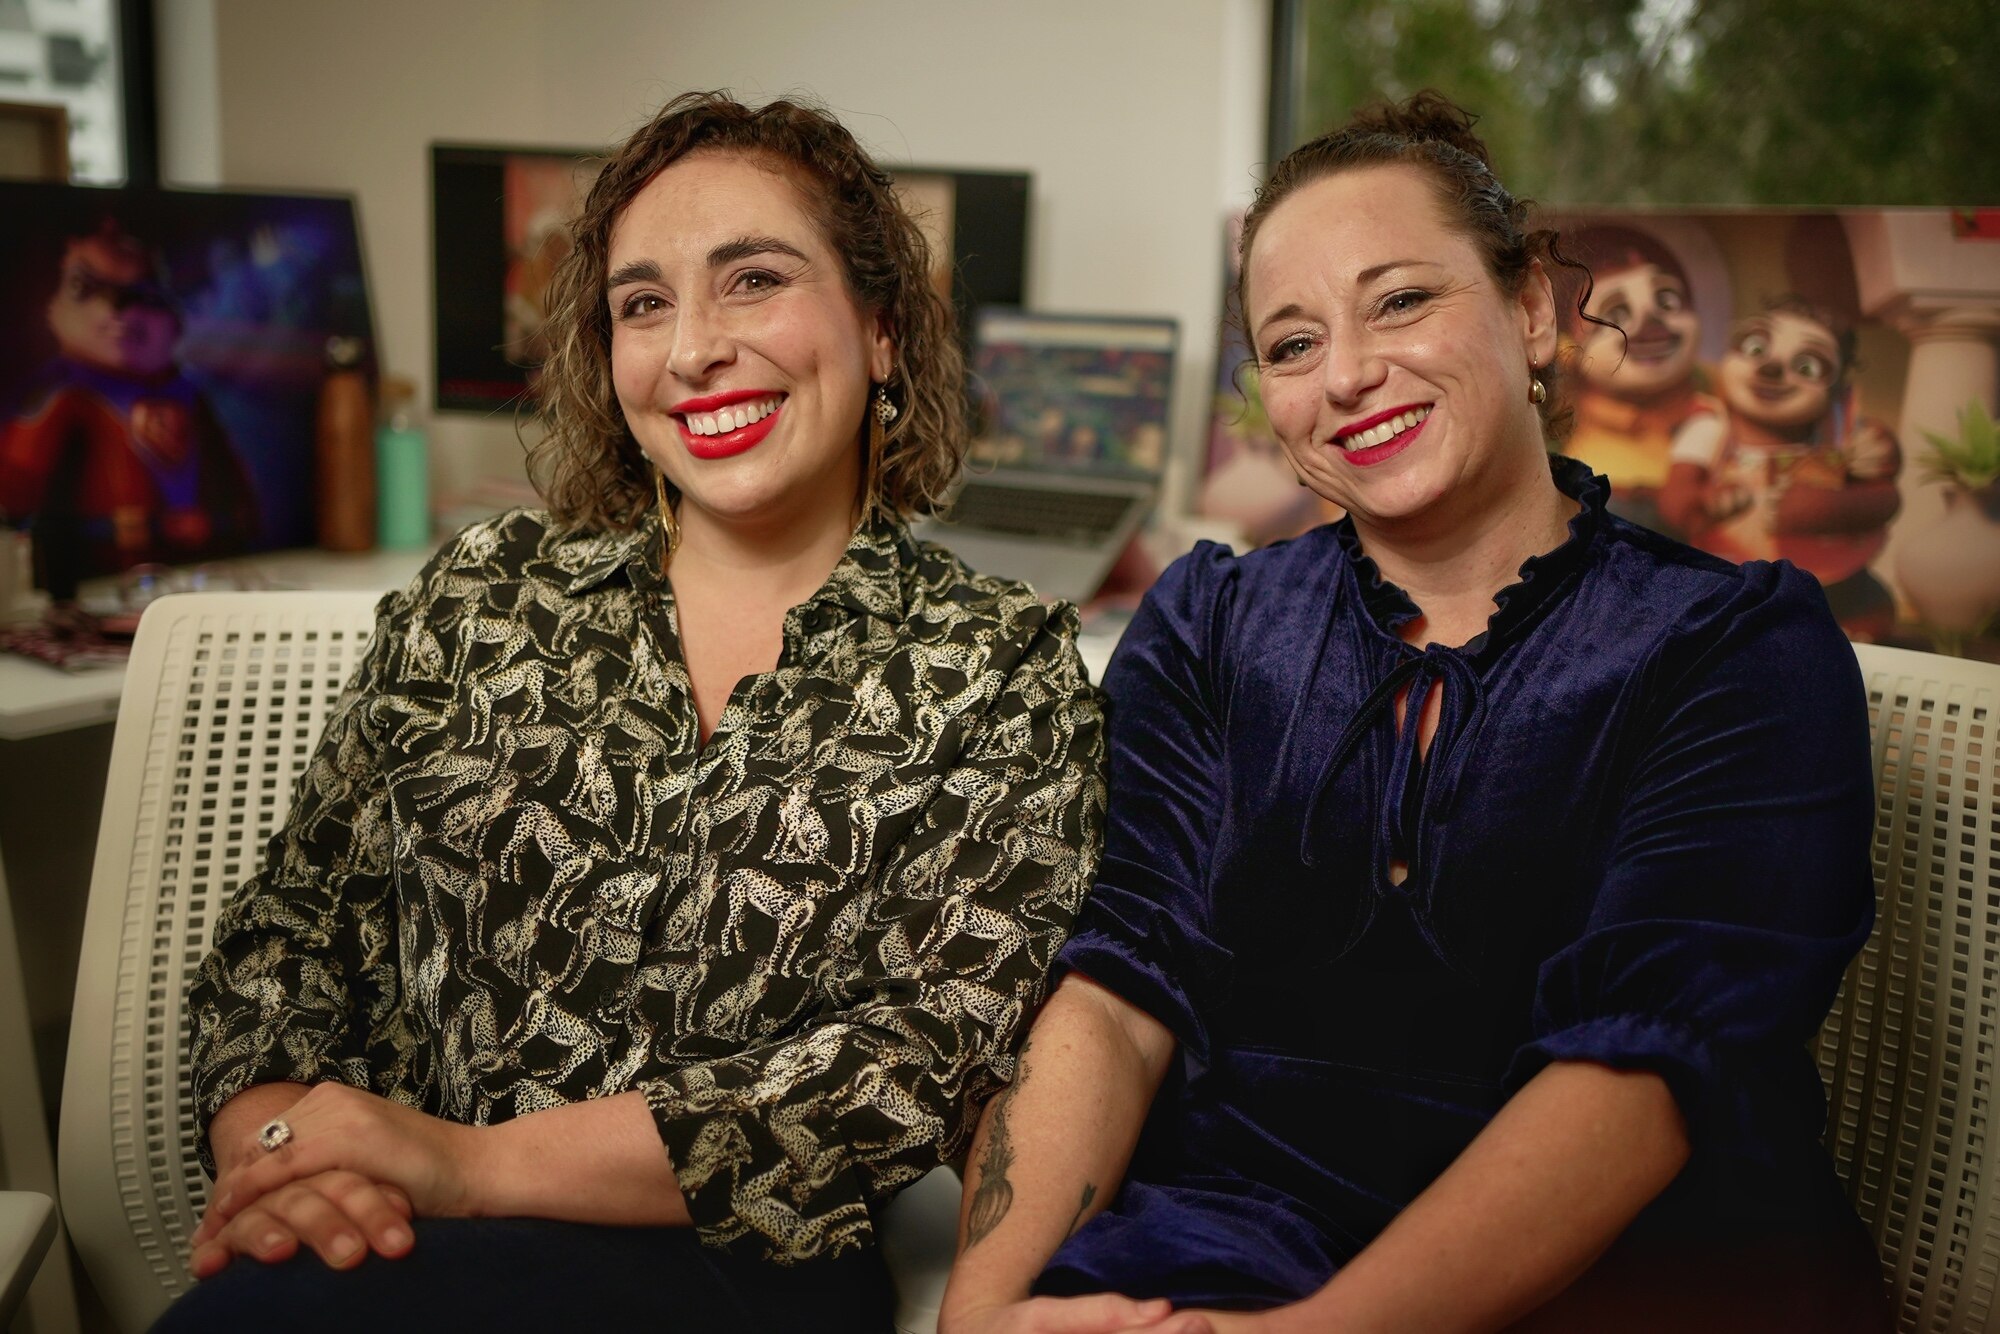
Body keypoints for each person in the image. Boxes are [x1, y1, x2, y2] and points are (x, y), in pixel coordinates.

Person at [938, 92, 1887, 1334]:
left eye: (1399, 300)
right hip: (1233, 1236)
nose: (1344, 374)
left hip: (1628, 1272)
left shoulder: (1734, 643)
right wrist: (985, 1310)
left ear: (1532, 307)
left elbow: (1642, 1064)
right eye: (1288, 344)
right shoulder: (1208, 625)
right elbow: (1115, 993)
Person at [161, 91, 1106, 1333]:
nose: (691, 349)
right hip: (388, 1249)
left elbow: (910, 1069)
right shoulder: (481, 596)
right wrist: (289, 1156)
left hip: (736, 1273)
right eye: (643, 303)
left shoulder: (998, 663)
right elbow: (284, 936)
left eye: (752, 280)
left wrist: (467, 1160)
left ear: (880, 330)